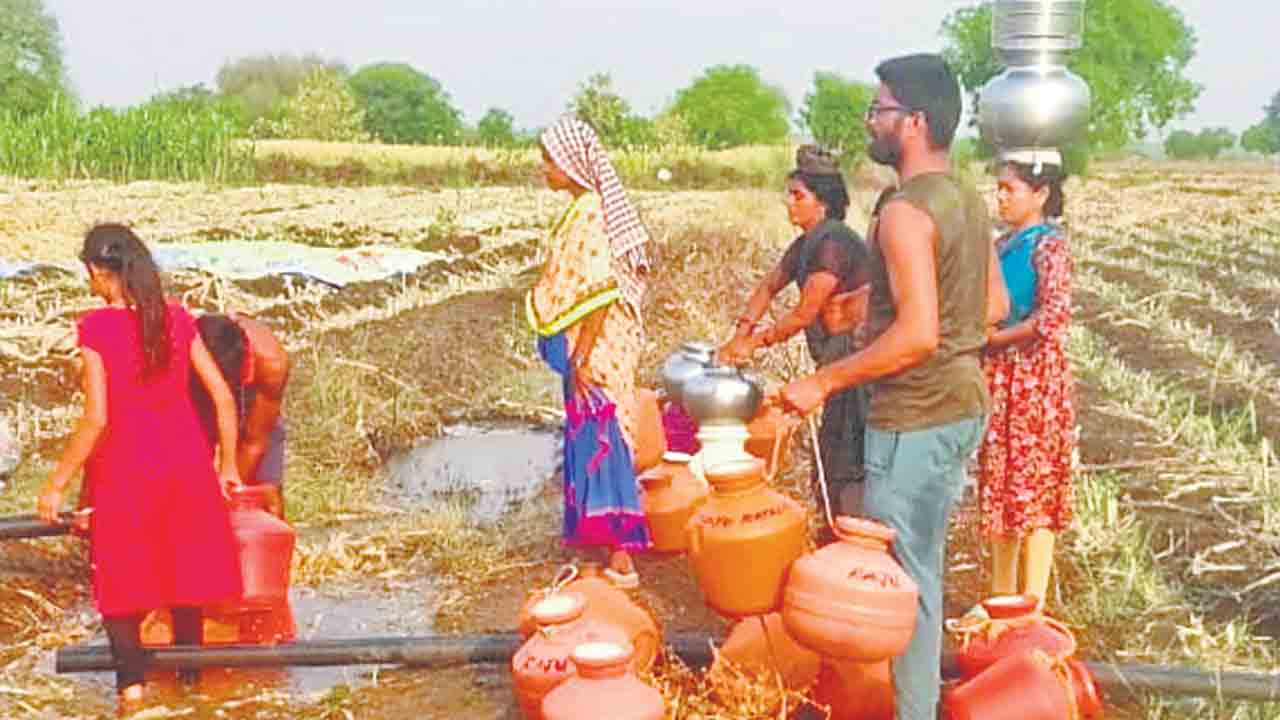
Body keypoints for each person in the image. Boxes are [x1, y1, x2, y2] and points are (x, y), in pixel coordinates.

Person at [779, 55, 1009, 719]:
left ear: (913, 122)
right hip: (960, 407)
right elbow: (992, 305)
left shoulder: (905, 211)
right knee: (920, 572)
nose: (869, 122)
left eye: (879, 110)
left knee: (893, 585)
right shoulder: (964, 198)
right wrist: (879, 305)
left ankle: (906, 710)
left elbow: (916, 336)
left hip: (913, 416)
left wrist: (823, 380)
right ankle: (915, 704)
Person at [36, 224, 243, 708]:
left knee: (122, 582)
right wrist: (228, 466)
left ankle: (131, 695)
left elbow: (97, 418)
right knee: (187, 576)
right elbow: (221, 395)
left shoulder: (96, 328)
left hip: (127, 467)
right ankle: (193, 690)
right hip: (187, 462)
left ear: (97, 270)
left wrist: (56, 484)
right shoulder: (176, 317)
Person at [526, 115, 652, 588]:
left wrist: (581, 357)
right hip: (589, 343)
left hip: (598, 347)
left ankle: (622, 559)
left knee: (606, 436)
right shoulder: (580, 210)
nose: (544, 169)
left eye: (549, 160)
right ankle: (600, 546)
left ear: (572, 162)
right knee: (588, 436)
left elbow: (599, 292)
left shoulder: (594, 213)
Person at [720, 145, 871, 517]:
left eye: (798, 196)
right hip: (834, 353)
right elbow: (768, 287)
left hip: (855, 355)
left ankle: (846, 527)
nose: (789, 203)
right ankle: (833, 520)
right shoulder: (806, 244)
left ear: (823, 202)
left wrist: (756, 343)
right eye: (789, 194)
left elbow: (805, 313)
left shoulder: (833, 242)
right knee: (834, 445)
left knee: (847, 450)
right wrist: (740, 334)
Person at [977, 151, 1075, 609]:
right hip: (1000, 377)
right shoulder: (1003, 245)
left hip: (1034, 382)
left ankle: (1032, 601)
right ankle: (1001, 598)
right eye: (998, 188)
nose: (1000, 197)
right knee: (1001, 483)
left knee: (1033, 486)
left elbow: (1053, 316)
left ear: (1040, 194)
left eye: (1009, 189)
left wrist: (996, 339)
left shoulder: (1048, 247)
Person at [192, 312, 291, 518]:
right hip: (196, 394)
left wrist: (229, 498)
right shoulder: (188, 345)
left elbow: (254, 443)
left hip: (254, 400)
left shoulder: (272, 364)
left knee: (268, 495)